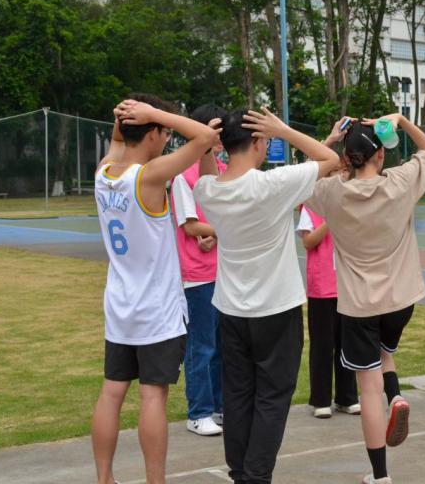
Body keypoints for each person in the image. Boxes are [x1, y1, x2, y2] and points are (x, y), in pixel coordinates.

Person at [194, 107, 338, 484]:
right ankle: (255, 476)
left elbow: (209, 172)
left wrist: (207, 145)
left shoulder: (207, 190)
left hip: (231, 310)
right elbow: (330, 159)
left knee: (238, 394)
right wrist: (284, 129)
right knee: (272, 397)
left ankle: (241, 472)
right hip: (276, 309)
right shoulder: (274, 184)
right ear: (258, 142)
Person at [92, 94, 219, 484]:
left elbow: (119, 140)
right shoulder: (148, 176)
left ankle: (104, 478)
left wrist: (126, 118)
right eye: (162, 132)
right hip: (156, 309)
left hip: (119, 305)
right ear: (152, 133)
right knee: (152, 396)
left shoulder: (104, 171)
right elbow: (203, 137)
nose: (166, 139)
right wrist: (155, 114)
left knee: (112, 392)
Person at [306, 114, 425, 484]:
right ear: (380, 154)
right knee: (385, 352)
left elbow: (306, 176)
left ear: (348, 157)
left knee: (367, 388)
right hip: (401, 299)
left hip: (359, 304)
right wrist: (402, 120)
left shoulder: (333, 193)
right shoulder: (400, 182)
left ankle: (380, 475)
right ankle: (396, 396)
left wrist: (330, 142)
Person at [170, 104, 228, 437]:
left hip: (224, 272)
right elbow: (189, 225)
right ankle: (199, 411)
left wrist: (217, 232)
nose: (219, 139)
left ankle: (219, 407)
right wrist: (218, 231)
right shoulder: (183, 175)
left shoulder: (223, 170)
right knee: (202, 346)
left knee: (222, 346)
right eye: (214, 131)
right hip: (198, 276)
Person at [296, 142, 360, 419]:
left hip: (347, 286)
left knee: (347, 345)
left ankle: (347, 397)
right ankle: (321, 399)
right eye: (333, 171)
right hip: (321, 288)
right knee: (322, 345)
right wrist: (330, 220)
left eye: (343, 171)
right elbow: (308, 241)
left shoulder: (351, 203)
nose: (339, 175)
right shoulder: (312, 204)